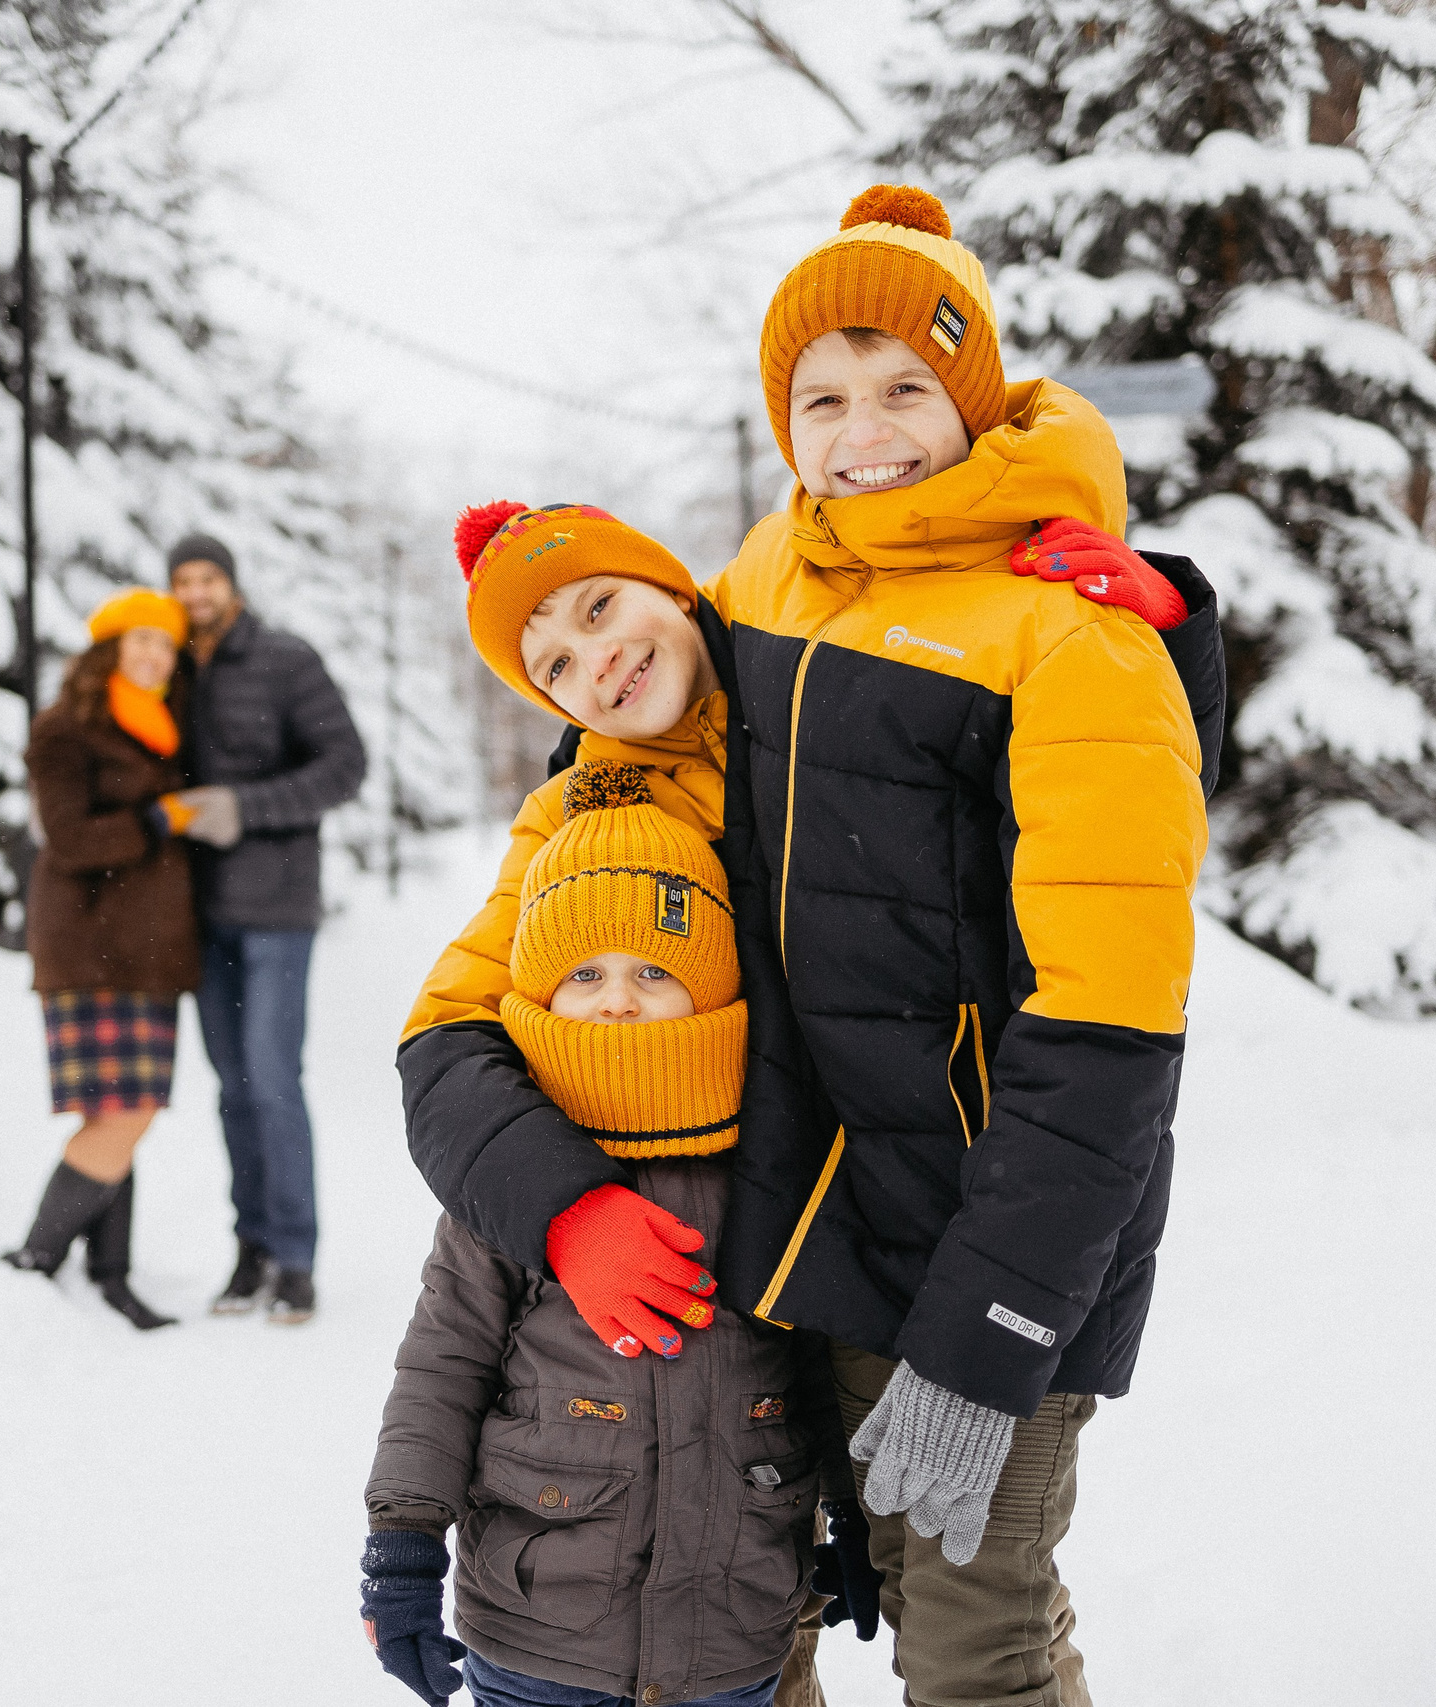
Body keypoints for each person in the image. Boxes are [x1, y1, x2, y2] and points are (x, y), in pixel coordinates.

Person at [400, 183, 1229, 1707]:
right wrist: (565, 1206)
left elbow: (1113, 1024)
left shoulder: (1065, 620)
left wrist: (996, 1325)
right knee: (754, 1626)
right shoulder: (743, 618)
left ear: (972, 393)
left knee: (977, 1649)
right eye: (822, 394)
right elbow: (445, 1032)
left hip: (991, 1242)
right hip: (795, 1249)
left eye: (907, 383)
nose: (865, 425)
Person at [360, 759, 855, 1707]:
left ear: (708, 984)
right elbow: (443, 1365)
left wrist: (853, 1517)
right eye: (584, 972)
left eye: (653, 969)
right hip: (539, 1630)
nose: (617, 998)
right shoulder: (511, 1173)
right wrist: (403, 1542)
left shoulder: (763, 1163)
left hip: (731, 1632)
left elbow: (818, 1361)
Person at [152, 532, 366, 1326]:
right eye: (182, 579)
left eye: (207, 576)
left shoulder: (285, 659)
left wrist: (244, 809)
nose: (196, 591)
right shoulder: (169, 667)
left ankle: (298, 1258)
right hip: (200, 914)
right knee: (232, 1087)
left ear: (231, 584)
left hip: (276, 910)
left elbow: (345, 764)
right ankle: (252, 1250)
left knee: (274, 1079)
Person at [1, 588, 201, 1332]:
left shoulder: (163, 731)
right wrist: (157, 820)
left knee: (118, 1113)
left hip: (148, 953)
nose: (154, 655)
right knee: (125, 1112)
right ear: (109, 648)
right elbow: (70, 838)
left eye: (165, 645)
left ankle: (111, 1275)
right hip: (90, 945)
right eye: (139, 640)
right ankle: (36, 1259)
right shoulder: (68, 729)